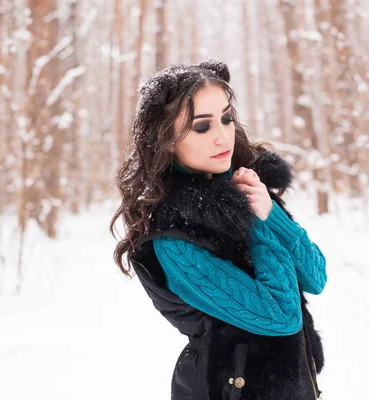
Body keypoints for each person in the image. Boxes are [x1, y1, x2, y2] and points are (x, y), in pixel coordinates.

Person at [110, 60, 327, 400]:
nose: (222, 135)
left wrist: (270, 213)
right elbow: (282, 315)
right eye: (201, 127)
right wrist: (255, 222)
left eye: (226, 118)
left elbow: (316, 276)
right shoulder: (174, 239)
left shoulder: (246, 188)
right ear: (166, 141)